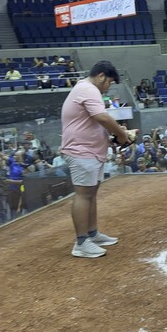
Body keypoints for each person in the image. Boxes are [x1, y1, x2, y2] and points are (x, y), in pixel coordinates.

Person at [60, 61, 129, 258]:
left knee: (90, 193)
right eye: (109, 82)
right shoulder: (88, 89)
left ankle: (92, 233)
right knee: (83, 194)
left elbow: (96, 122)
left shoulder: (86, 89)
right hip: (81, 151)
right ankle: (81, 242)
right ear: (101, 76)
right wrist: (122, 135)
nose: (109, 86)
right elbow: (103, 118)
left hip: (91, 151)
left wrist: (120, 133)